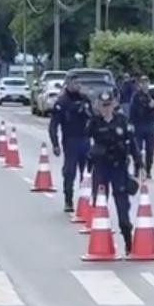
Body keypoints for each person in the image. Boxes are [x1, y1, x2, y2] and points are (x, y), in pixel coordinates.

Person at [88, 92, 138, 253]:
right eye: (103, 105)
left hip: (119, 168)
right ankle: (102, 243)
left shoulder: (122, 121)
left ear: (114, 104)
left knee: (123, 208)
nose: (106, 109)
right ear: (98, 106)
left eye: (108, 105)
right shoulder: (93, 122)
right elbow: (85, 139)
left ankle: (128, 241)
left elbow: (133, 144)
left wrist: (140, 163)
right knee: (100, 205)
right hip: (101, 168)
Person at [49, 77, 94, 212]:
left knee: (87, 173)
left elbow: (93, 119)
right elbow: (53, 125)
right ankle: (68, 200)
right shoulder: (62, 102)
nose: (77, 86)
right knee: (69, 172)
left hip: (85, 140)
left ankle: (86, 201)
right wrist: (55, 144)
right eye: (74, 83)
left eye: (79, 83)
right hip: (70, 141)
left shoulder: (85, 100)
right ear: (68, 85)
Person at [129, 77, 154, 179]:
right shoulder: (136, 96)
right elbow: (133, 111)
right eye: (142, 83)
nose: (145, 85)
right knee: (137, 148)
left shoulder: (153, 95)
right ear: (140, 84)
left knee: (150, 149)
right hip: (139, 125)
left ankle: (148, 170)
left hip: (150, 124)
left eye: (146, 82)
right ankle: (136, 168)